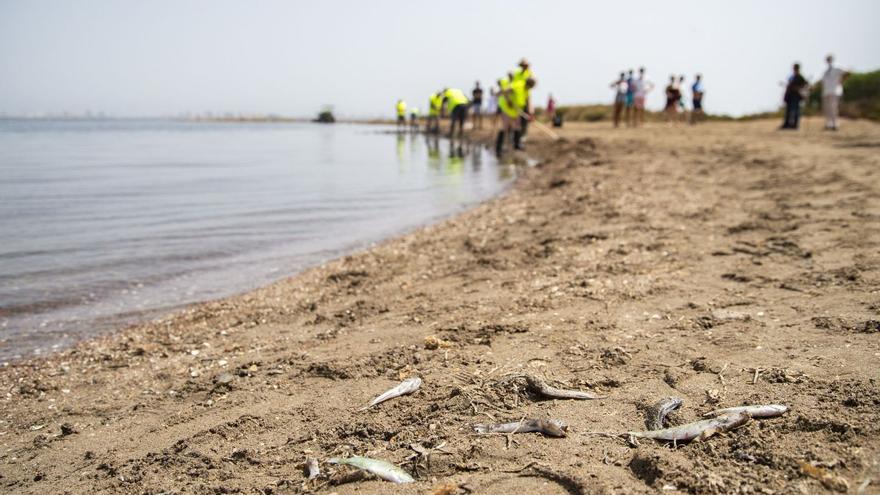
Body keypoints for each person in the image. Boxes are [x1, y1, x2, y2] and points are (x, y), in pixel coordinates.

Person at [497, 76, 535, 153]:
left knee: (517, 126)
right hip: (507, 108)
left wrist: (531, 114)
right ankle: (499, 147)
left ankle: (516, 145)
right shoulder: (518, 85)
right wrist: (508, 101)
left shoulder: (527, 90)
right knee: (505, 127)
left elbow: (529, 101)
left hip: (517, 109)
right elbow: (505, 91)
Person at [820, 54, 849, 131]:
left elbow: (848, 72)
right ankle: (829, 124)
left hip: (834, 91)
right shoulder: (825, 71)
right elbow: (822, 81)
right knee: (827, 108)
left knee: (833, 108)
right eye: (827, 59)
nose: (828, 60)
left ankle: (835, 124)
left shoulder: (837, 67)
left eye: (829, 59)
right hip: (826, 92)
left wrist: (841, 81)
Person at [781, 63, 808, 130]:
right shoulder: (792, 76)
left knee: (795, 110)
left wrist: (798, 89)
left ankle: (795, 125)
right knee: (788, 110)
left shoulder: (800, 77)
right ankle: (787, 124)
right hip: (790, 96)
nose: (794, 69)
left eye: (795, 68)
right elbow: (789, 85)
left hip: (796, 96)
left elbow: (805, 85)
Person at [512, 59, 533, 136]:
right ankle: (516, 134)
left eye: (526, 65)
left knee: (526, 117)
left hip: (525, 96)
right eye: (524, 65)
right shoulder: (517, 73)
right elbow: (513, 84)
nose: (525, 67)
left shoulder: (530, 73)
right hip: (517, 96)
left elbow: (531, 84)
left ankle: (523, 134)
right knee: (517, 117)